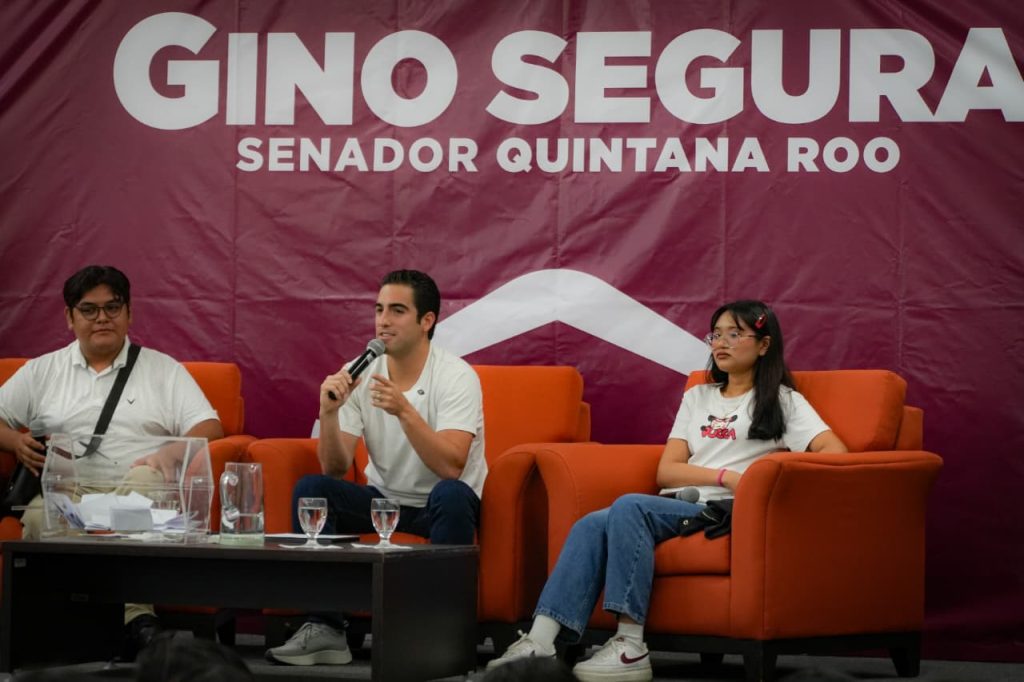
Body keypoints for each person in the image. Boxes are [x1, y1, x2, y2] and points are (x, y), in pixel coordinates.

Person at [486, 300, 848, 682]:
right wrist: (727, 476)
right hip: (683, 502)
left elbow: (834, 453)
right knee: (591, 524)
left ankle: (630, 645)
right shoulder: (698, 397)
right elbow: (668, 470)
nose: (721, 343)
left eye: (735, 334)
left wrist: (767, 476)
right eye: (716, 334)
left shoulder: (783, 401)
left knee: (629, 506)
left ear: (764, 344)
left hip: (729, 510)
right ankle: (541, 642)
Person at [265, 269, 486, 666]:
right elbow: (335, 468)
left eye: (397, 311)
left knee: (452, 495)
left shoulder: (456, 376)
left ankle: (437, 633)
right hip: (385, 501)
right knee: (313, 490)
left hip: (443, 505)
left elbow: (451, 466)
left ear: (427, 321)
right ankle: (326, 629)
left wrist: (405, 411)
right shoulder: (359, 371)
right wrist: (328, 413)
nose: (383, 321)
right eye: (379, 309)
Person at [0, 265, 223, 656]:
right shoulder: (42, 371)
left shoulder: (162, 369)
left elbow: (210, 425)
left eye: (112, 307)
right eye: (89, 309)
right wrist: (15, 443)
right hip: (66, 488)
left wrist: (168, 452)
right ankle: (84, 622)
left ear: (129, 313)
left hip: (133, 485)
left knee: (148, 481)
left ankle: (134, 617)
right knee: (36, 518)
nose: (102, 318)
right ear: (69, 317)